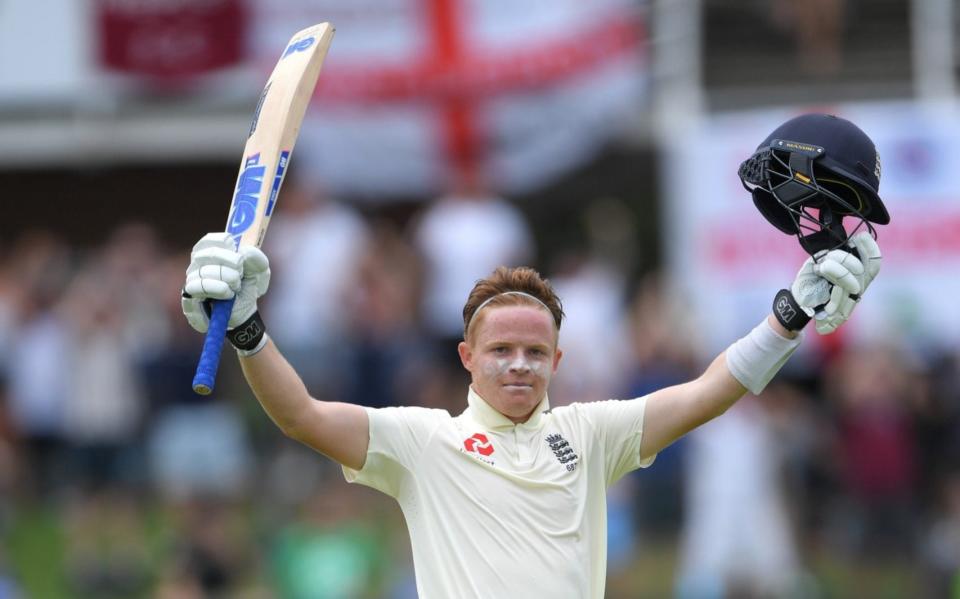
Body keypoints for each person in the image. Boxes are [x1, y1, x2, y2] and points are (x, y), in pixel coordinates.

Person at [180, 113, 887, 598]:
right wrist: (246, 327)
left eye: (534, 350)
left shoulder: (591, 433)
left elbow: (708, 391)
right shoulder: (422, 440)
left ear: (557, 358)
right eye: (501, 349)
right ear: (466, 356)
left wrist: (788, 316)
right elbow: (301, 413)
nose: (518, 363)